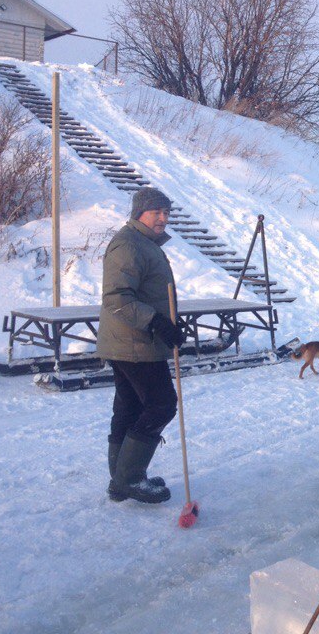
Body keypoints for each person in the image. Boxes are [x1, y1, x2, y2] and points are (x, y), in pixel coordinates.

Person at [98, 187, 186, 504]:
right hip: (134, 342)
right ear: (140, 214)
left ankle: (121, 479)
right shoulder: (128, 244)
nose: (163, 218)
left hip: (133, 340)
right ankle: (129, 479)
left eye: (167, 212)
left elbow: (150, 294)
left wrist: (171, 323)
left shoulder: (144, 243)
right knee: (161, 403)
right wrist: (156, 322)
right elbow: (116, 297)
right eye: (157, 212)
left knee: (130, 405)